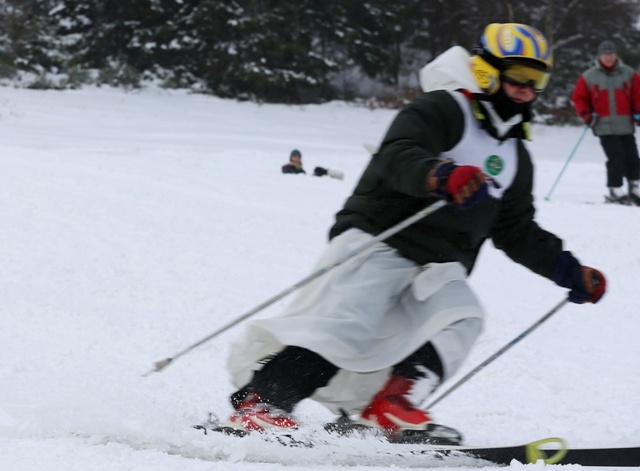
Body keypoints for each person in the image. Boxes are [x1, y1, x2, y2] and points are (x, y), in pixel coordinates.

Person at [219, 24, 607, 444]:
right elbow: (397, 153)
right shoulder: (442, 109)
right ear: (486, 72)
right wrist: (439, 174)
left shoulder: (515, 155)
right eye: (520, 78)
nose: (528, 91)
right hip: (380, 239)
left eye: (538, 82)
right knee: (345, 326)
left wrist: (568, 270)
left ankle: (391, 409)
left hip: (439, 263)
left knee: (460, 319)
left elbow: (516, 229)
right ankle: (263, 404)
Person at [571, 40, 640, 205]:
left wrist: (638, 112)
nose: (608, 58)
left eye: (611, 54)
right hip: (603, 126)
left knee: (633, 157)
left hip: (625, 125)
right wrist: (587, 116)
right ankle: (615, 189)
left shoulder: (629, 74)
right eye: (605, 55)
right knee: (616, 156)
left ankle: (635, 187)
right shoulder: (589, 76)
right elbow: (578, 98)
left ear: (616, 55)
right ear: (599, 56)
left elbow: (637, 95)